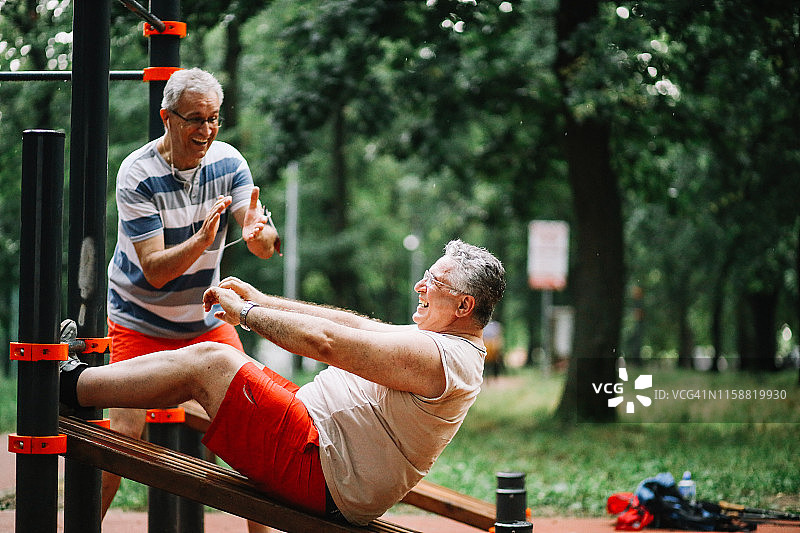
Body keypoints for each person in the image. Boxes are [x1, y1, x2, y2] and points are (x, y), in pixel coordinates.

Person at [61, 239, 504, 526]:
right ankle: (83, 383)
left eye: (434, 281)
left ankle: (71, 386)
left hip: (322, 470)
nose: (420, 285)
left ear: (464, 305)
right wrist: (264, 300)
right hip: (314, 440)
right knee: (217, 363)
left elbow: (327, 342)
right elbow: (350, 324)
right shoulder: (438, 340)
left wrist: (246, 314)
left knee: (212, 362)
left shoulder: (441, 358)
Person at [105, 67, 279, 531]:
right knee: (122, 438)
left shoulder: (229, 163)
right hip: (138, 319)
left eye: (214, 118)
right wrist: (202, 241)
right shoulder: (137, 174)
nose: (206, 130)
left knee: (252, 430)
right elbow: (155, 270)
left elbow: (263, 239)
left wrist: (261, 234)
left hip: (204, 321)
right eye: (195, 119)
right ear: (167, 117)